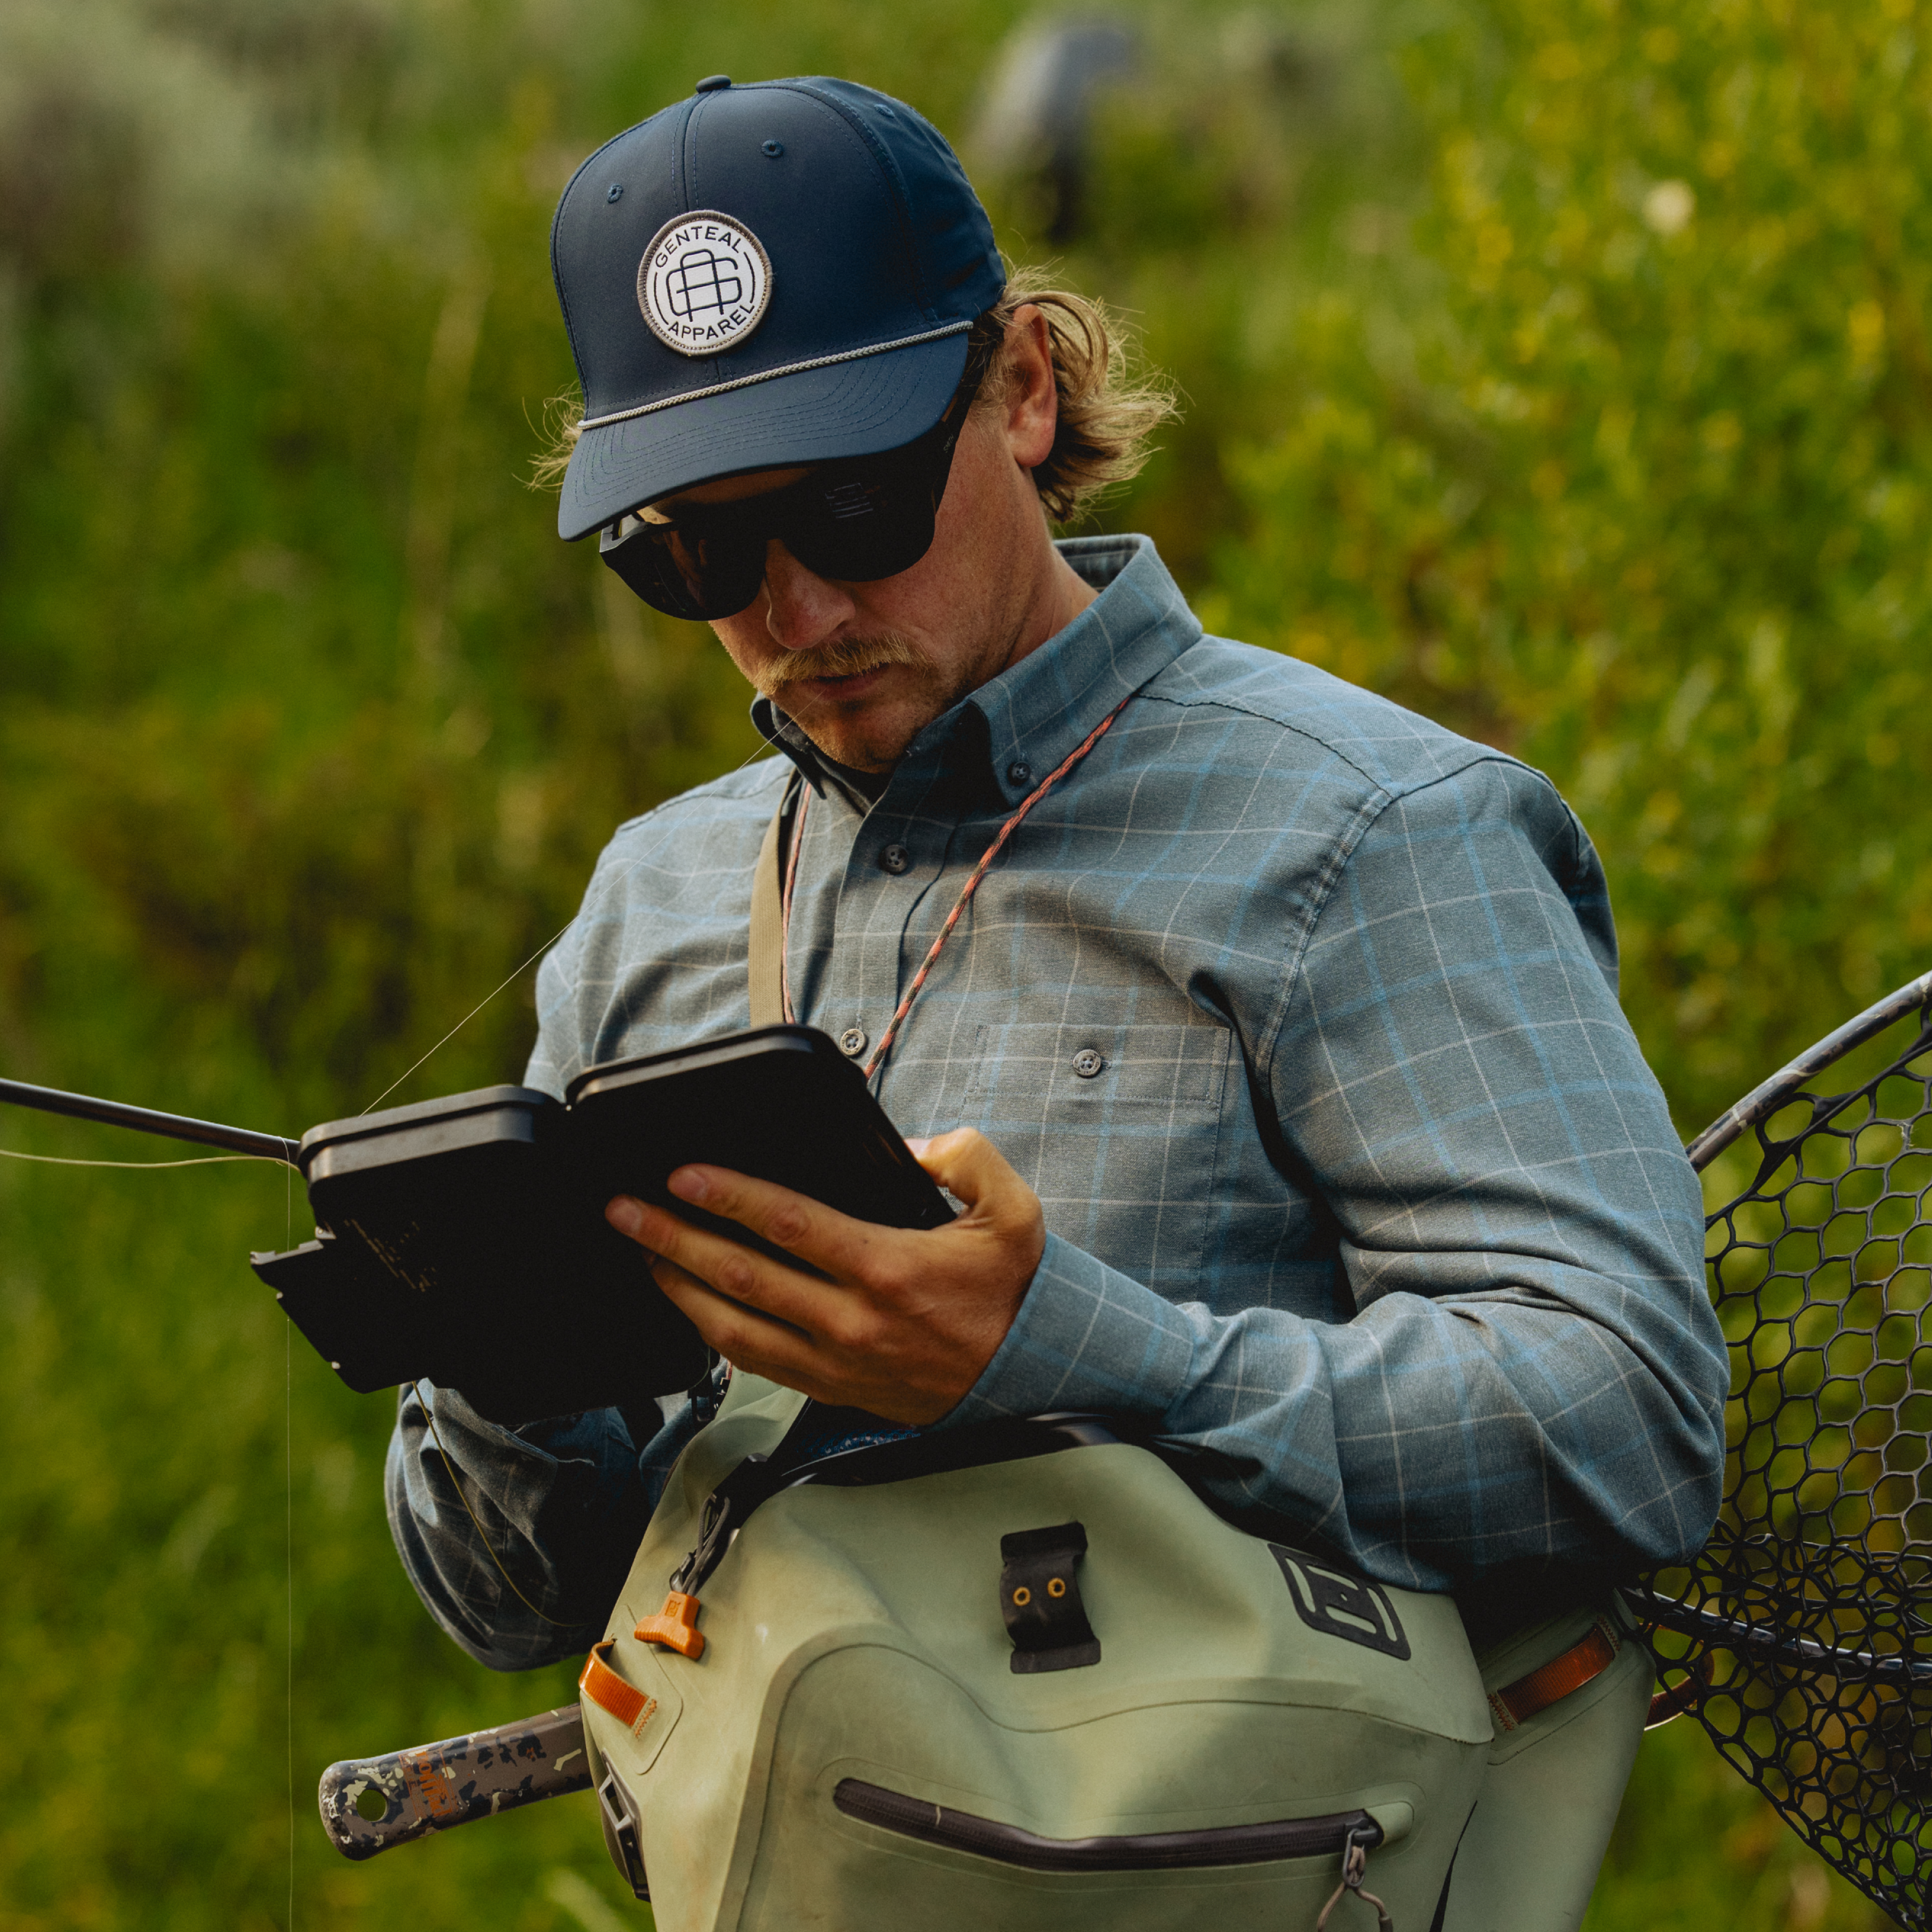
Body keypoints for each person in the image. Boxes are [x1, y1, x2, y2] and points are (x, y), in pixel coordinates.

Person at [386, 75, 1727, 1696]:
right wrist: (498, 1366)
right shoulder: (651, 891)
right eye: (699, 555)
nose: (797, 612)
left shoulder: (1376, 830)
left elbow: (1633, 1426)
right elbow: (512, 1605)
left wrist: (1066, 1356)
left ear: (1020, 386)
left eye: (850, 502)